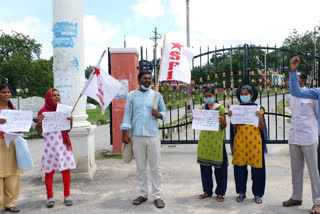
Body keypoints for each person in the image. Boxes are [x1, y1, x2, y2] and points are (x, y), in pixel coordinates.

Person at [120, 71, 166, 208]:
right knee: (140, 167)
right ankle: (143, 194)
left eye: (149, 79)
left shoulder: (157, 96)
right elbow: (127, 115)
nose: (147, 81)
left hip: (153, 136)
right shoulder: (132, 95)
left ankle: (157, 195)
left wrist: (158, 114)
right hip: (137, 136)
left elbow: (164, 113)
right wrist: (124, 132)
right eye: (145, 78)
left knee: (155, 167)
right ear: (139, 80)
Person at [288, 56, 320, 214]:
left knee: (314, 170)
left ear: (303, 80)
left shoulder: (313, 94)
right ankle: (296, 196)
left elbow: (317, 115)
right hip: (294, 135)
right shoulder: (291, 95)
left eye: (295, 77)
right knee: (296, 168)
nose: (291, 81)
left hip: (309, 135)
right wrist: (292, 71)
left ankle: (318, 202)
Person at [36, 88, 75, 208]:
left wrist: (71, 121)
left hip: (63, 144)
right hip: (50, 146)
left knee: (65, 171)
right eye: (54, 95)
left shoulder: (63, 110)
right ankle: (50, 197)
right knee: (49, 171)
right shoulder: (43, 112)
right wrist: (39, 123)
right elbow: (39, 131)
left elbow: (67, 129)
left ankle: (67, 196)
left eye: (58, 95)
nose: (57, 97)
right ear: (48, 97)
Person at [228, 85, 267, 204]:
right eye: (242, 94)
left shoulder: (258, 108)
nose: (244, 96)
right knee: (239, 168)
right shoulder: (237, 109)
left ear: (251, 95)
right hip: (240, 142)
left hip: (255, 142)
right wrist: (232, 117)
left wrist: (260, 117)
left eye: (246, 94)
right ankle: (241, 192)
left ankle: (258, 194)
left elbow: (261, 127)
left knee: (257, 169)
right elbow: (235, 127)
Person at [196, 87, 228, 202]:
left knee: (220, 169)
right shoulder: (201, 108)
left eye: (210, 96)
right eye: (206, 96)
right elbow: (198, 124)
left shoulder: (221, 108)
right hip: (205, 142)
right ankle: (207, 191)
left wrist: (221, 119)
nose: (208, 98)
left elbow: (224, 126)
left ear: (214, 96)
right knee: (205, 168)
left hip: (217, 142)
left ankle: (220, 192)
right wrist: (195, 119)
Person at [0, 84, 22, 213]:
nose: (7, 94)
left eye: (9, 92)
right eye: (3, 92)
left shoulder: (13, 109)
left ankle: (10, 203)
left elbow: (19, 124)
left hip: (12, 143)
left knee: (13, 174)